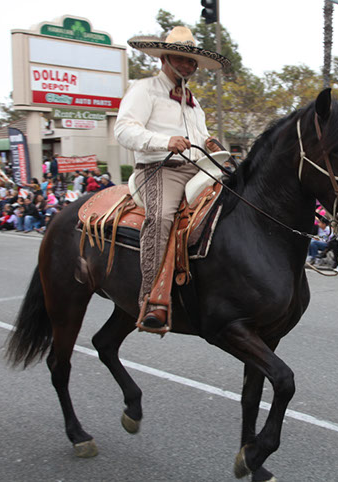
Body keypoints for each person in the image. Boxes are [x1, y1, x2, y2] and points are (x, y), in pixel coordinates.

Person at [114, 25, 229, 331]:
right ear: (164, 58)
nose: (188, 66)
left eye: (191, 62)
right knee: (163, 217)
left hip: (197, 168)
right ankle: (151, 298)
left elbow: (200, 136)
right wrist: (164, 142)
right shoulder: (144, 89)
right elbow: (123, 130)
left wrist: (210, 143)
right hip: (159, 169)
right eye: (181, 59)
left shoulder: (192, 101)